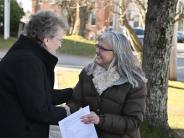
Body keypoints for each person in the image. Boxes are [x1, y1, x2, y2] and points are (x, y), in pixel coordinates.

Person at [0, 10, 73, 138]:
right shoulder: (28, 61)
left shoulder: (27, 53)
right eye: (60, 40)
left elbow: (40, 94)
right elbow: (38, 110)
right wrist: (65, 112)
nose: (60, 45)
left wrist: (72, 93)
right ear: (46, 39)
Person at [68, 31, 147, 138]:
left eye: (103, 49)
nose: (97, 51)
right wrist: (71, 110)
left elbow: (133, 122)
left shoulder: (134, 82)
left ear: (118, 53)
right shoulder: (88, 73)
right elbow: (75, 102)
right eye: (97, 46)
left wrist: (100, 120)